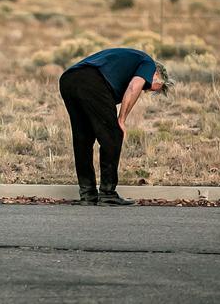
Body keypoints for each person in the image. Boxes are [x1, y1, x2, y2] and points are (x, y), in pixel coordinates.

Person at [59, 48, 173, 206]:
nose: (146, 89)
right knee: (113, 135)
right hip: (91, 80)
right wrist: (121, 120)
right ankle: (107, 194)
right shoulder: (148, 64)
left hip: (68, 79)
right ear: (156, 74)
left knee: (83, 139)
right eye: (152, 86)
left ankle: (88, 194)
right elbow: (134, 87)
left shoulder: (127, 64)